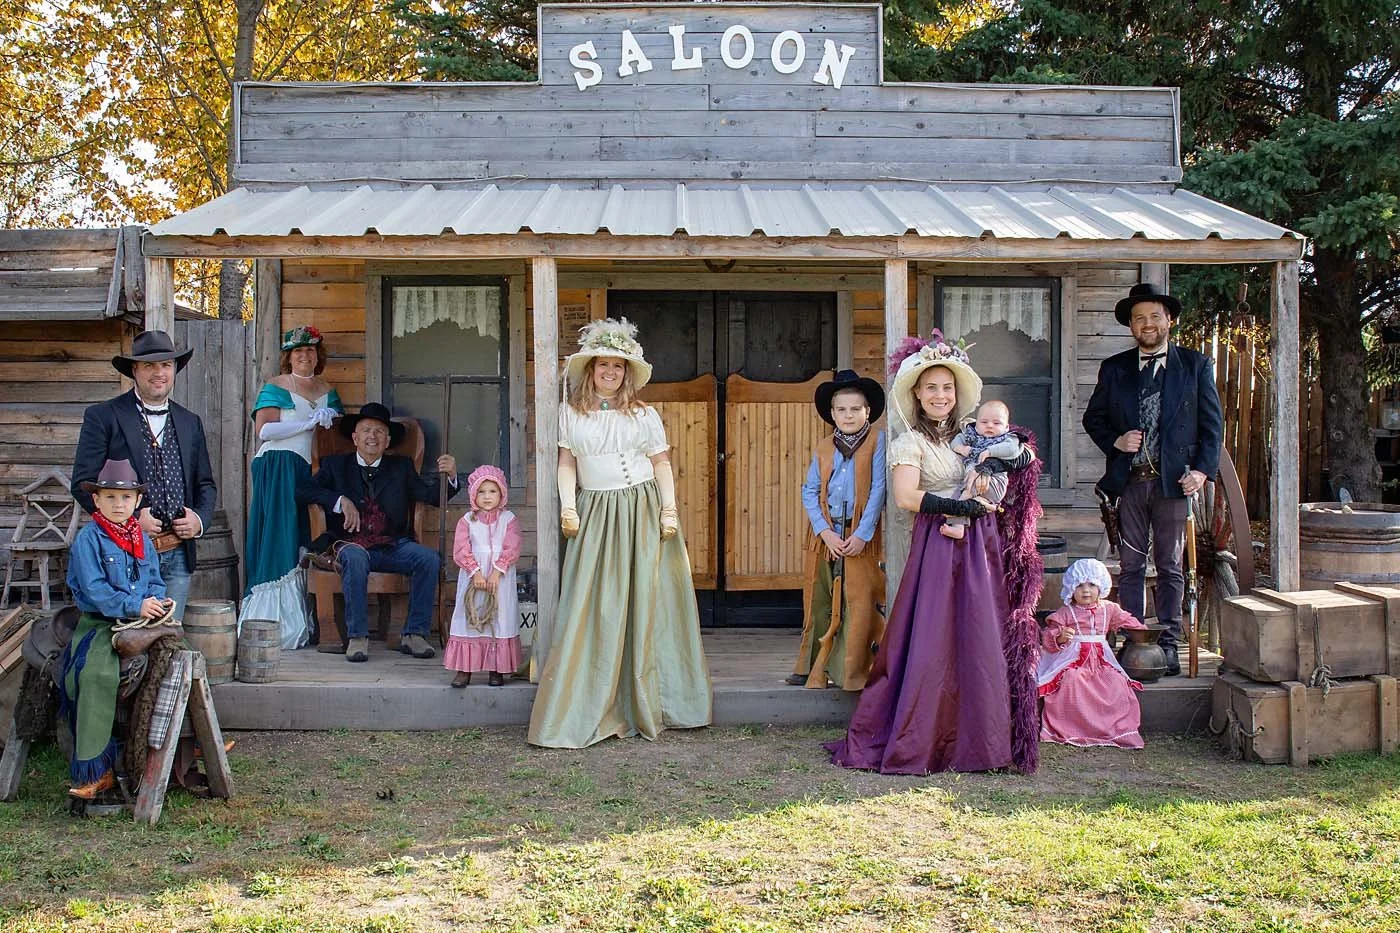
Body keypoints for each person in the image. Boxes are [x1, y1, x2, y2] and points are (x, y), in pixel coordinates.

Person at [826, 330, 1042, 775]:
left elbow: (1006, 462)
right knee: (935, 636)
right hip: (940, 543)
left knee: (979, 636)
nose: (940, 395)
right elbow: (906, 496)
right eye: (931, 388)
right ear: (918, 396)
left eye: (947, 387)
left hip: (981, 546)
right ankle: (926, 736)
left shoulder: (969, 435)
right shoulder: (911, 442)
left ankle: (979, 738)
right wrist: (960, 506)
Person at [528, 318, 712, 748]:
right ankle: (593, 703)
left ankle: (661, 702)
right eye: (602, 365)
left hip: (643, 508)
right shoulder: (570, 413)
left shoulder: (644, 414)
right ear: (590, 370)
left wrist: (669, 510)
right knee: (596, 603)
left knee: (652, 601)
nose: (609, 372)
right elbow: (567, 462)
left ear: (627, 373)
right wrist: (569, 505)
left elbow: (662, 463)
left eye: (617, 366)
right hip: (598, 510)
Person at [1083, 283, 1223, 676]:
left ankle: (1168, 643)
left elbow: (1213, 428)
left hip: (1173, 484)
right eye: (1139, 318)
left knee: (1170, 566)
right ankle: (1132, 639)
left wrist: (1199, 471)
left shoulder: (1195, 366)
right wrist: (1116, 440)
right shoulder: (1115, 368)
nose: (1147, 324)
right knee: (1129, 565)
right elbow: (1093, 418)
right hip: (1129, 482)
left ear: (1170, 320)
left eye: (1154, 316)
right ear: (1130, 325)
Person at [71, 330, 218, 622]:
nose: (159, 372)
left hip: (178, 552)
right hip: (121, 556)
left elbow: (205, 484)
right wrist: (133, 516)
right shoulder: (104, 416)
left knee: (166, 638)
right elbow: (82, 482)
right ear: (135, 370)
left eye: (166, 365)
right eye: (150, 365)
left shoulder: (190, 422)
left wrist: (199, 519)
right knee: (129, 642)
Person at [295, 402, 457, 663]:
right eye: (366, 430)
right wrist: (339, 500)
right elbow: (302, 491)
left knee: (428, 559)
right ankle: (358, 637)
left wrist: (450, 477)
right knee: (356, 559)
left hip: (392, 545)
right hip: (349, 544)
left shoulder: (401, 467)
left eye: (379, 431)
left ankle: (414, 634)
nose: (373, 436)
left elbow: (431, 496)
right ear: (355, 437)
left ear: (388, 439)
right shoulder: (335, 465)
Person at [60, 459, 172, 800]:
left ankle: (190, 746)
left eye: (125, 498)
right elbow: (95, 592)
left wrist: (159, 601)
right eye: (110, 497)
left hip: (142, 622)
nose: (118, 504)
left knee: (184, 661)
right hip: (101, 623)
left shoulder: (142, 539)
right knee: (95, 675)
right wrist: (135, 605)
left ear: (137, 502)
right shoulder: (88, 540)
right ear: (97, 501)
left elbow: (154, 580)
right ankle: (97, 771)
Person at [241, 325, 343, 649]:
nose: (304, 356)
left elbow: (336, 436)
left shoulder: (328, 390)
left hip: (308, 468)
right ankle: (272, 622)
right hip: (278, 464)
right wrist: (308, 422)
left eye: (310, 350)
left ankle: (302, 617)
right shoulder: (278, 385)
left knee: (302, 536)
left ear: (318, 355)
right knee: (279, 536)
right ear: (289, 357)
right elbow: (264, 431)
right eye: (298, 352)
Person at [787, 369, 887, 691]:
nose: (848, 415)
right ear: (832, 413)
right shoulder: (824, 447)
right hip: (827, 534)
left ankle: (851, 670)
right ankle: (811, 666)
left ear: (867, 411)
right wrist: (825, 533)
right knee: (820, 597)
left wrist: (861, 535)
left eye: (855, 409)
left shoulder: (878, 442)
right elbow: (809, 490)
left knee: (857, 599)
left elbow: (878, 490)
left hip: (861, 536)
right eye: (841, 409)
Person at [1037, 558, 1147, 749]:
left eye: (1092, 585)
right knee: (1071, 680)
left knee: (1116, 682)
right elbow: (1048, 635)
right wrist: (1061, 637)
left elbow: (1127, 620)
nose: (1086, 590)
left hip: (1102, 660)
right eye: (1079, 585)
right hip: (1074, 660)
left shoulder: (1109, 609)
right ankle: (1072, 727)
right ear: (1071, 588)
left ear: (1101, 586)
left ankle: (1112, 728)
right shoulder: (1067, 612)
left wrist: (1144, 632)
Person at [445, 464, 521, 688]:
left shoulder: (509, 519)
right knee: (470, 617)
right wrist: (475, 572)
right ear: (473, 494)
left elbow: (512, 546)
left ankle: (496, 669)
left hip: (501, 577)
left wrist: (497, 572)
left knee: (499, 617)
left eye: (492, 491)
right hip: (473, 576)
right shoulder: (468, 520)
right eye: (481, 491)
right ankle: (464, 669)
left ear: (502, 493)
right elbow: (461, 549)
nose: (487, 497)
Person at [944, 399, 1023, 540]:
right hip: (973, 483)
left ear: (1006, 427)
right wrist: (962, 448)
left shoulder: (1007, 439)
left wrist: (990, 452)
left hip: (995, 482)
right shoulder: (971, 435)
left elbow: (1013, 449)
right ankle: (962, 524)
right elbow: (955, 441)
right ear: (977, 423)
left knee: (962, 495)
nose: (990, 426)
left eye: (997, 423)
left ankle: (957, 516)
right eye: (984, 422)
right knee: (962, 495)